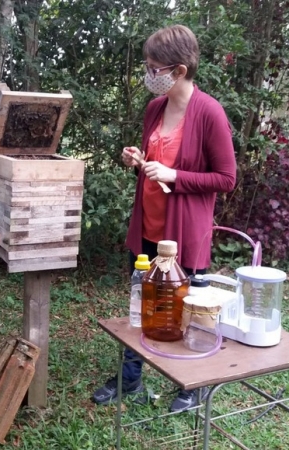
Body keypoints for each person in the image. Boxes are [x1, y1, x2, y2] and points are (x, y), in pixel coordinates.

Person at [92, 25, 237, 412]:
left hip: (184, 233)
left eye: (154, 67)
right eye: (147, 64)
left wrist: (176, 176)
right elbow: (154, 164)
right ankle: (130, 379)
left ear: (179, 71)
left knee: (185, 309)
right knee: (142, 305)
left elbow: (226, 178)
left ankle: (192, 386)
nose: (148, 73)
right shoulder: (155, 108)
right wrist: (136, 161)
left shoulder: (209, 112)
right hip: (148, 228)